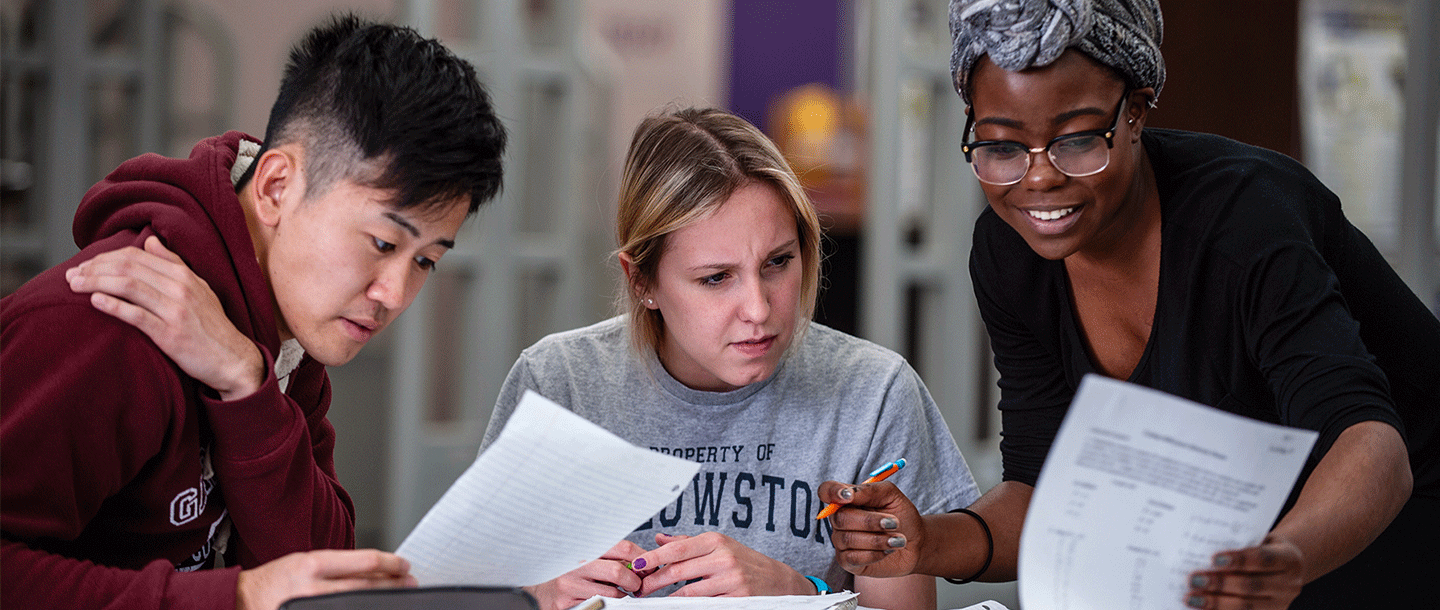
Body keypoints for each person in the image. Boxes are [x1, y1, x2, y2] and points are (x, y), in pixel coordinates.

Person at [819, 1, 1438, 609]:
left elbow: (1372, 445)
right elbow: (1041, 488)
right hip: (1248, 557)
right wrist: (926, 540)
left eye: (1078, 140)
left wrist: (1287, 558)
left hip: (1384, 528)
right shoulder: (1010, 253)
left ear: (1136, 111)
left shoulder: (1245, 220)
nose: (1039, 180)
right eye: (1002, 147)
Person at [1, 14, 506, 610]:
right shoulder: (107, 324)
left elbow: (322, 576)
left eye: (426, 261)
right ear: (275, 187)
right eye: (382, 244)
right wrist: (236, 597)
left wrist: (248, 388)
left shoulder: (288, 335)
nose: (394, 294)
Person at [477, 107, 979, 610]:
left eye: (778, 263)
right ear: (641, 281)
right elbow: (478, 590)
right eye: (716, 278)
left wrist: (798, 594)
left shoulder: (874, 392)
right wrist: (536, 597)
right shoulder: (558, 384)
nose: (759, 310)